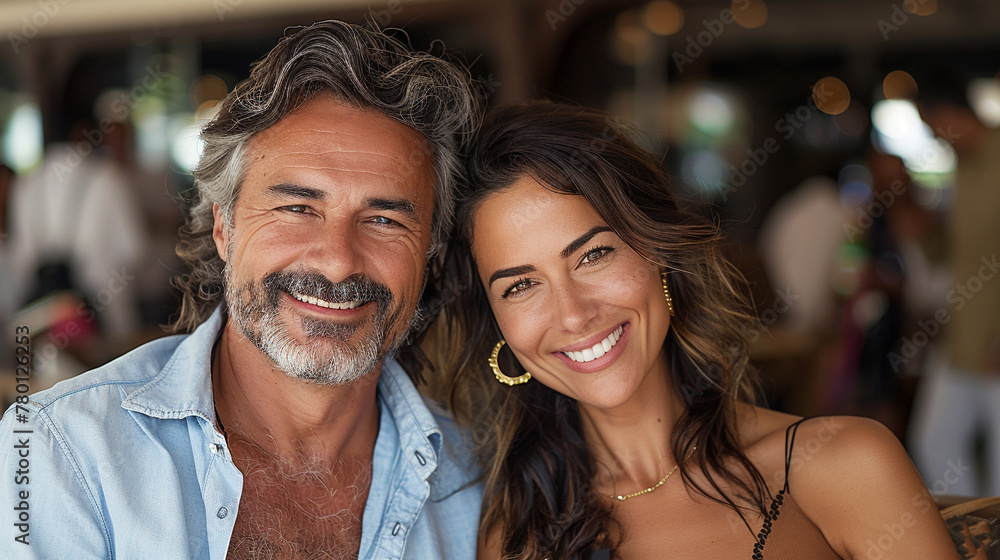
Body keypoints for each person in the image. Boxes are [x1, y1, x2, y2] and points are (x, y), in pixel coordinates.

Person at [0, 20, 481, 559]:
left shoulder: (472, 481)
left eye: (385, 220)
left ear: (431, 254)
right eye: (297, 208)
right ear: (223, 227)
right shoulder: (64, 454)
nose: (339, 263)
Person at [444, 102, 959, 559]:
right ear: (497, 324)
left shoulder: (844, 465)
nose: (574, 315)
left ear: (657, 254)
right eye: (519, 287)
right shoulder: (519, 539)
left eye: (593, 255)